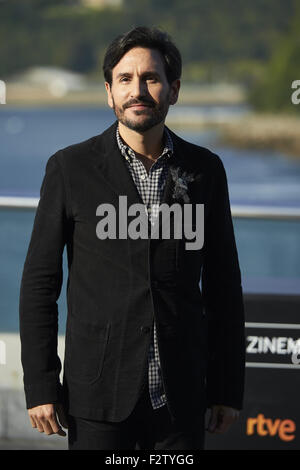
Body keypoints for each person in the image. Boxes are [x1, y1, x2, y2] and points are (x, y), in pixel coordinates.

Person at [19, 26, 245, 450]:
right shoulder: (70, 169)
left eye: (151, 78)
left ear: (173, 90)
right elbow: (39, 285)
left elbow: (224, 287)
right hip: (97, 396)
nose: (137, 90)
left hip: (181, 396)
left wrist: (226, 388)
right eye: (125, 79)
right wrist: (42, 385)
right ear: (109, 92)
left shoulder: (205, 170)